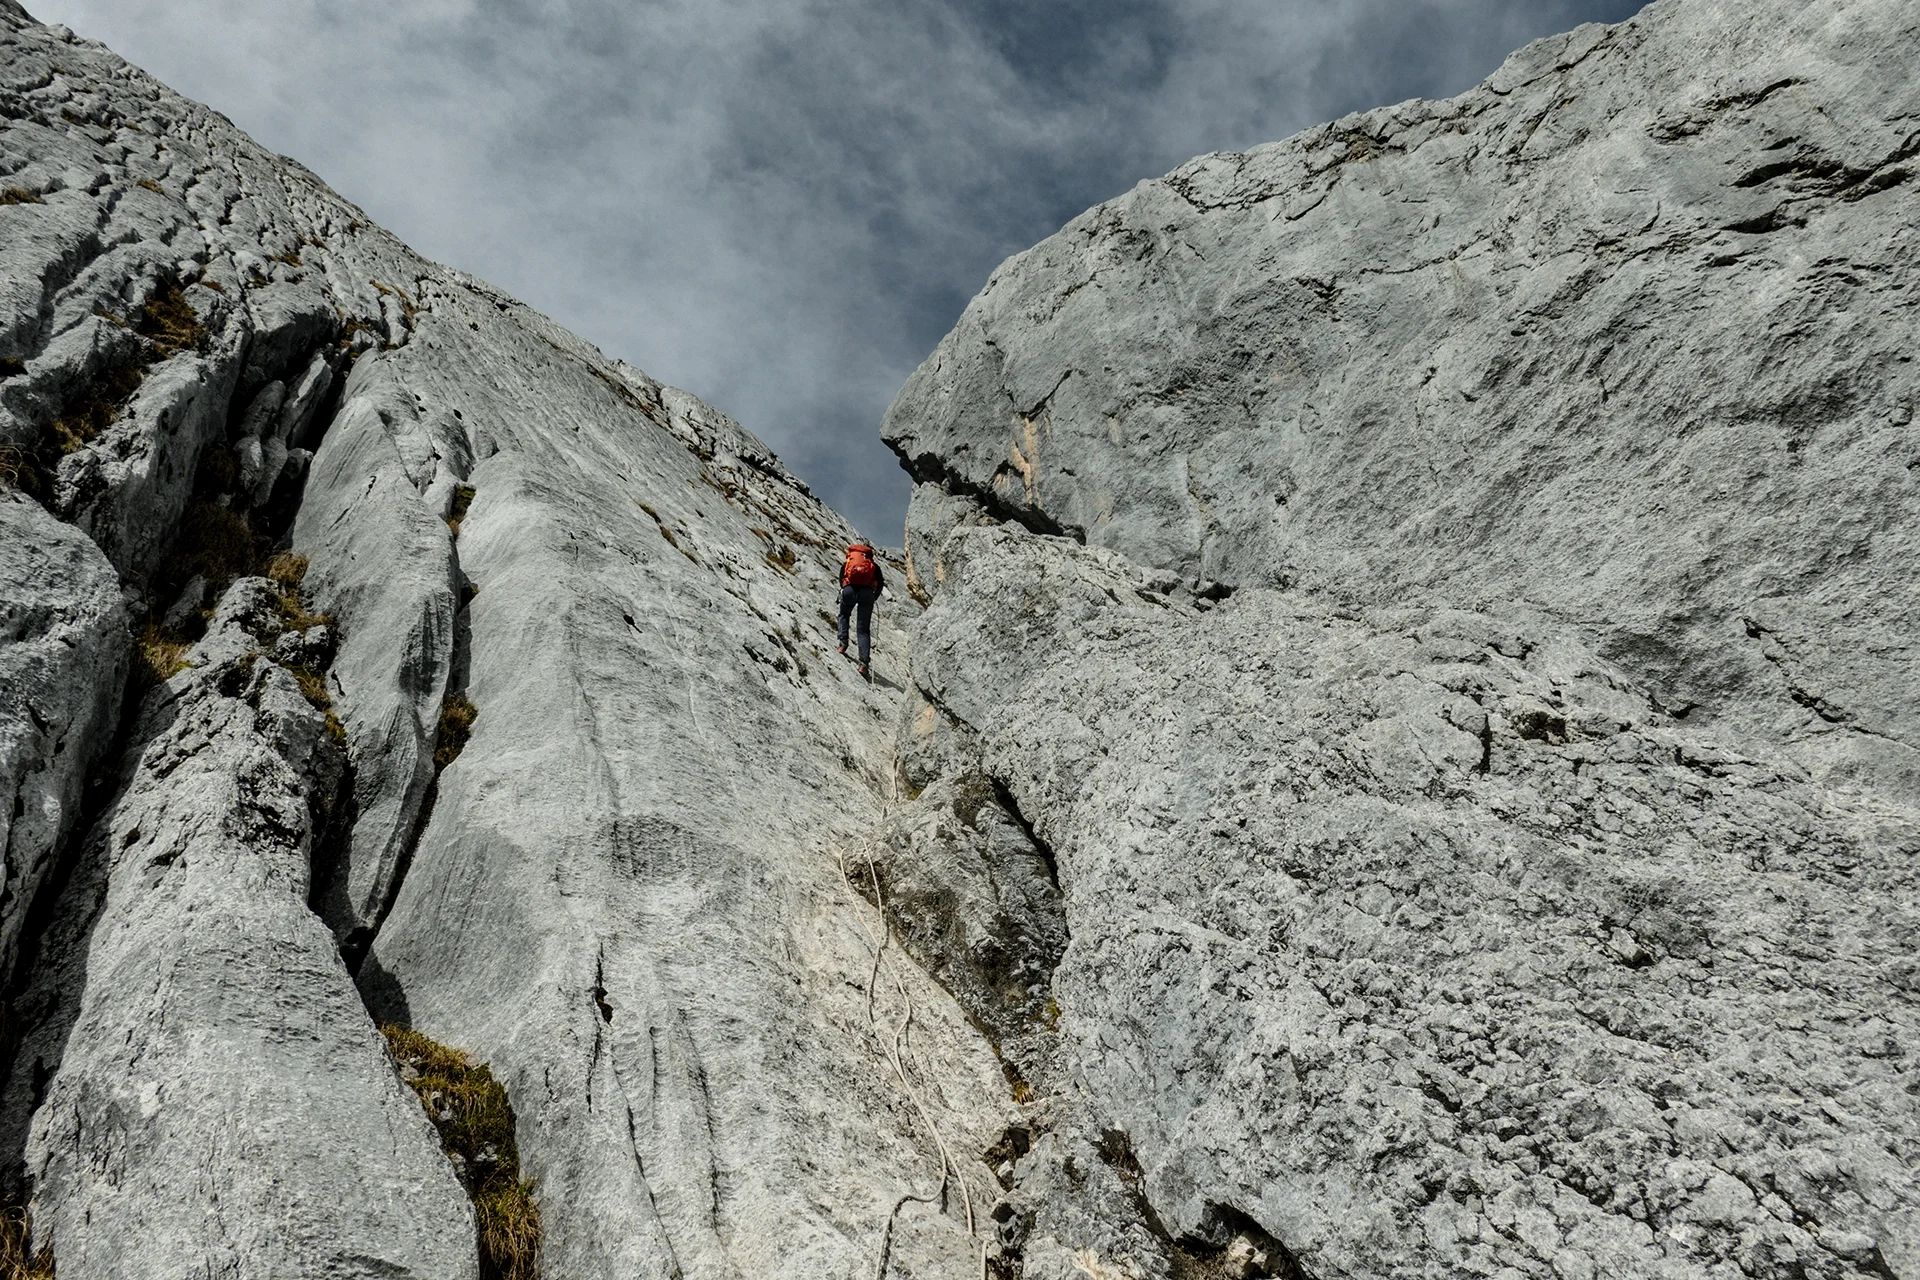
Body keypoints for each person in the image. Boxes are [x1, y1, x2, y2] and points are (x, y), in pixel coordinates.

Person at [837, 542, 885, 678]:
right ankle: (863, 663)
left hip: (849, 591)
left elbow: (842, 577)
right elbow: (880, 583)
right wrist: (873, 597)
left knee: (844, 614)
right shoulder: (873, 566)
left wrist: (845, 589)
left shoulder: (849, 561)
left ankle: (842, 643)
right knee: (863, 629)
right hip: (867, 594)